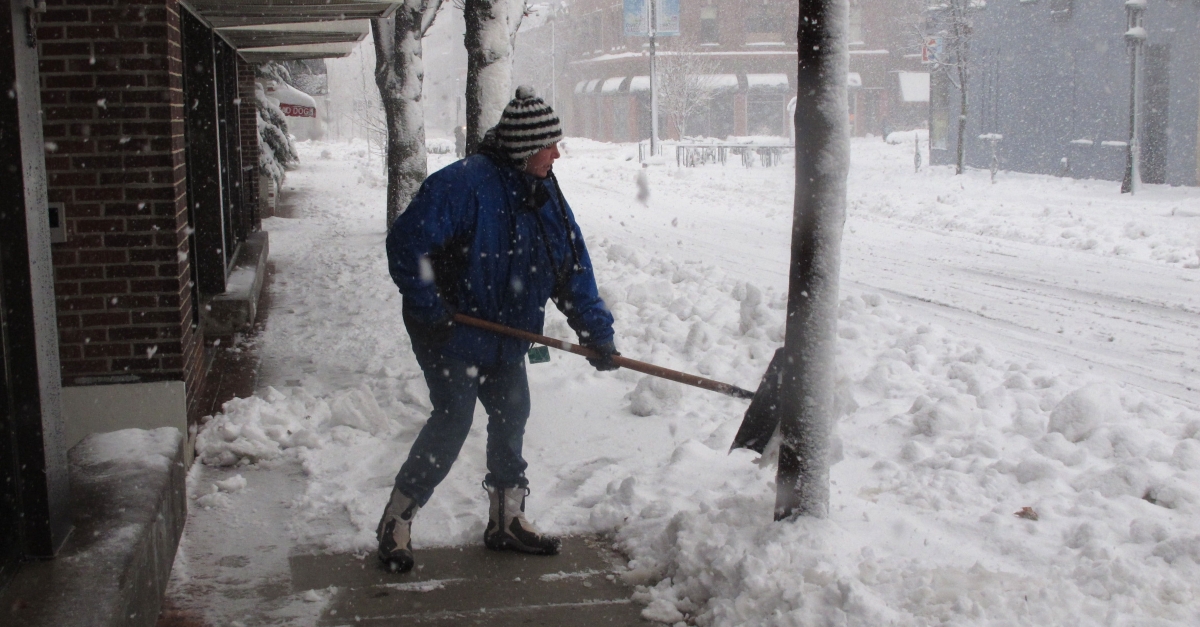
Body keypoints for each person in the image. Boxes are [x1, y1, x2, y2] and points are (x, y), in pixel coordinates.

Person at [377, 86, 619, 573]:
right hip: (448, 328)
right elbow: (407, 244)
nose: (556, 153)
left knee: (512, 414)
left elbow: (569, 266)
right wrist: (430, 306)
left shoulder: (545, 192)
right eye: (548, 145)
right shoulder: (463, 185)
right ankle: (396, 519)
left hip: (506, 331)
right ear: (526, 148)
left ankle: (507, 519)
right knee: (453, 420)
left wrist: (595, 331)